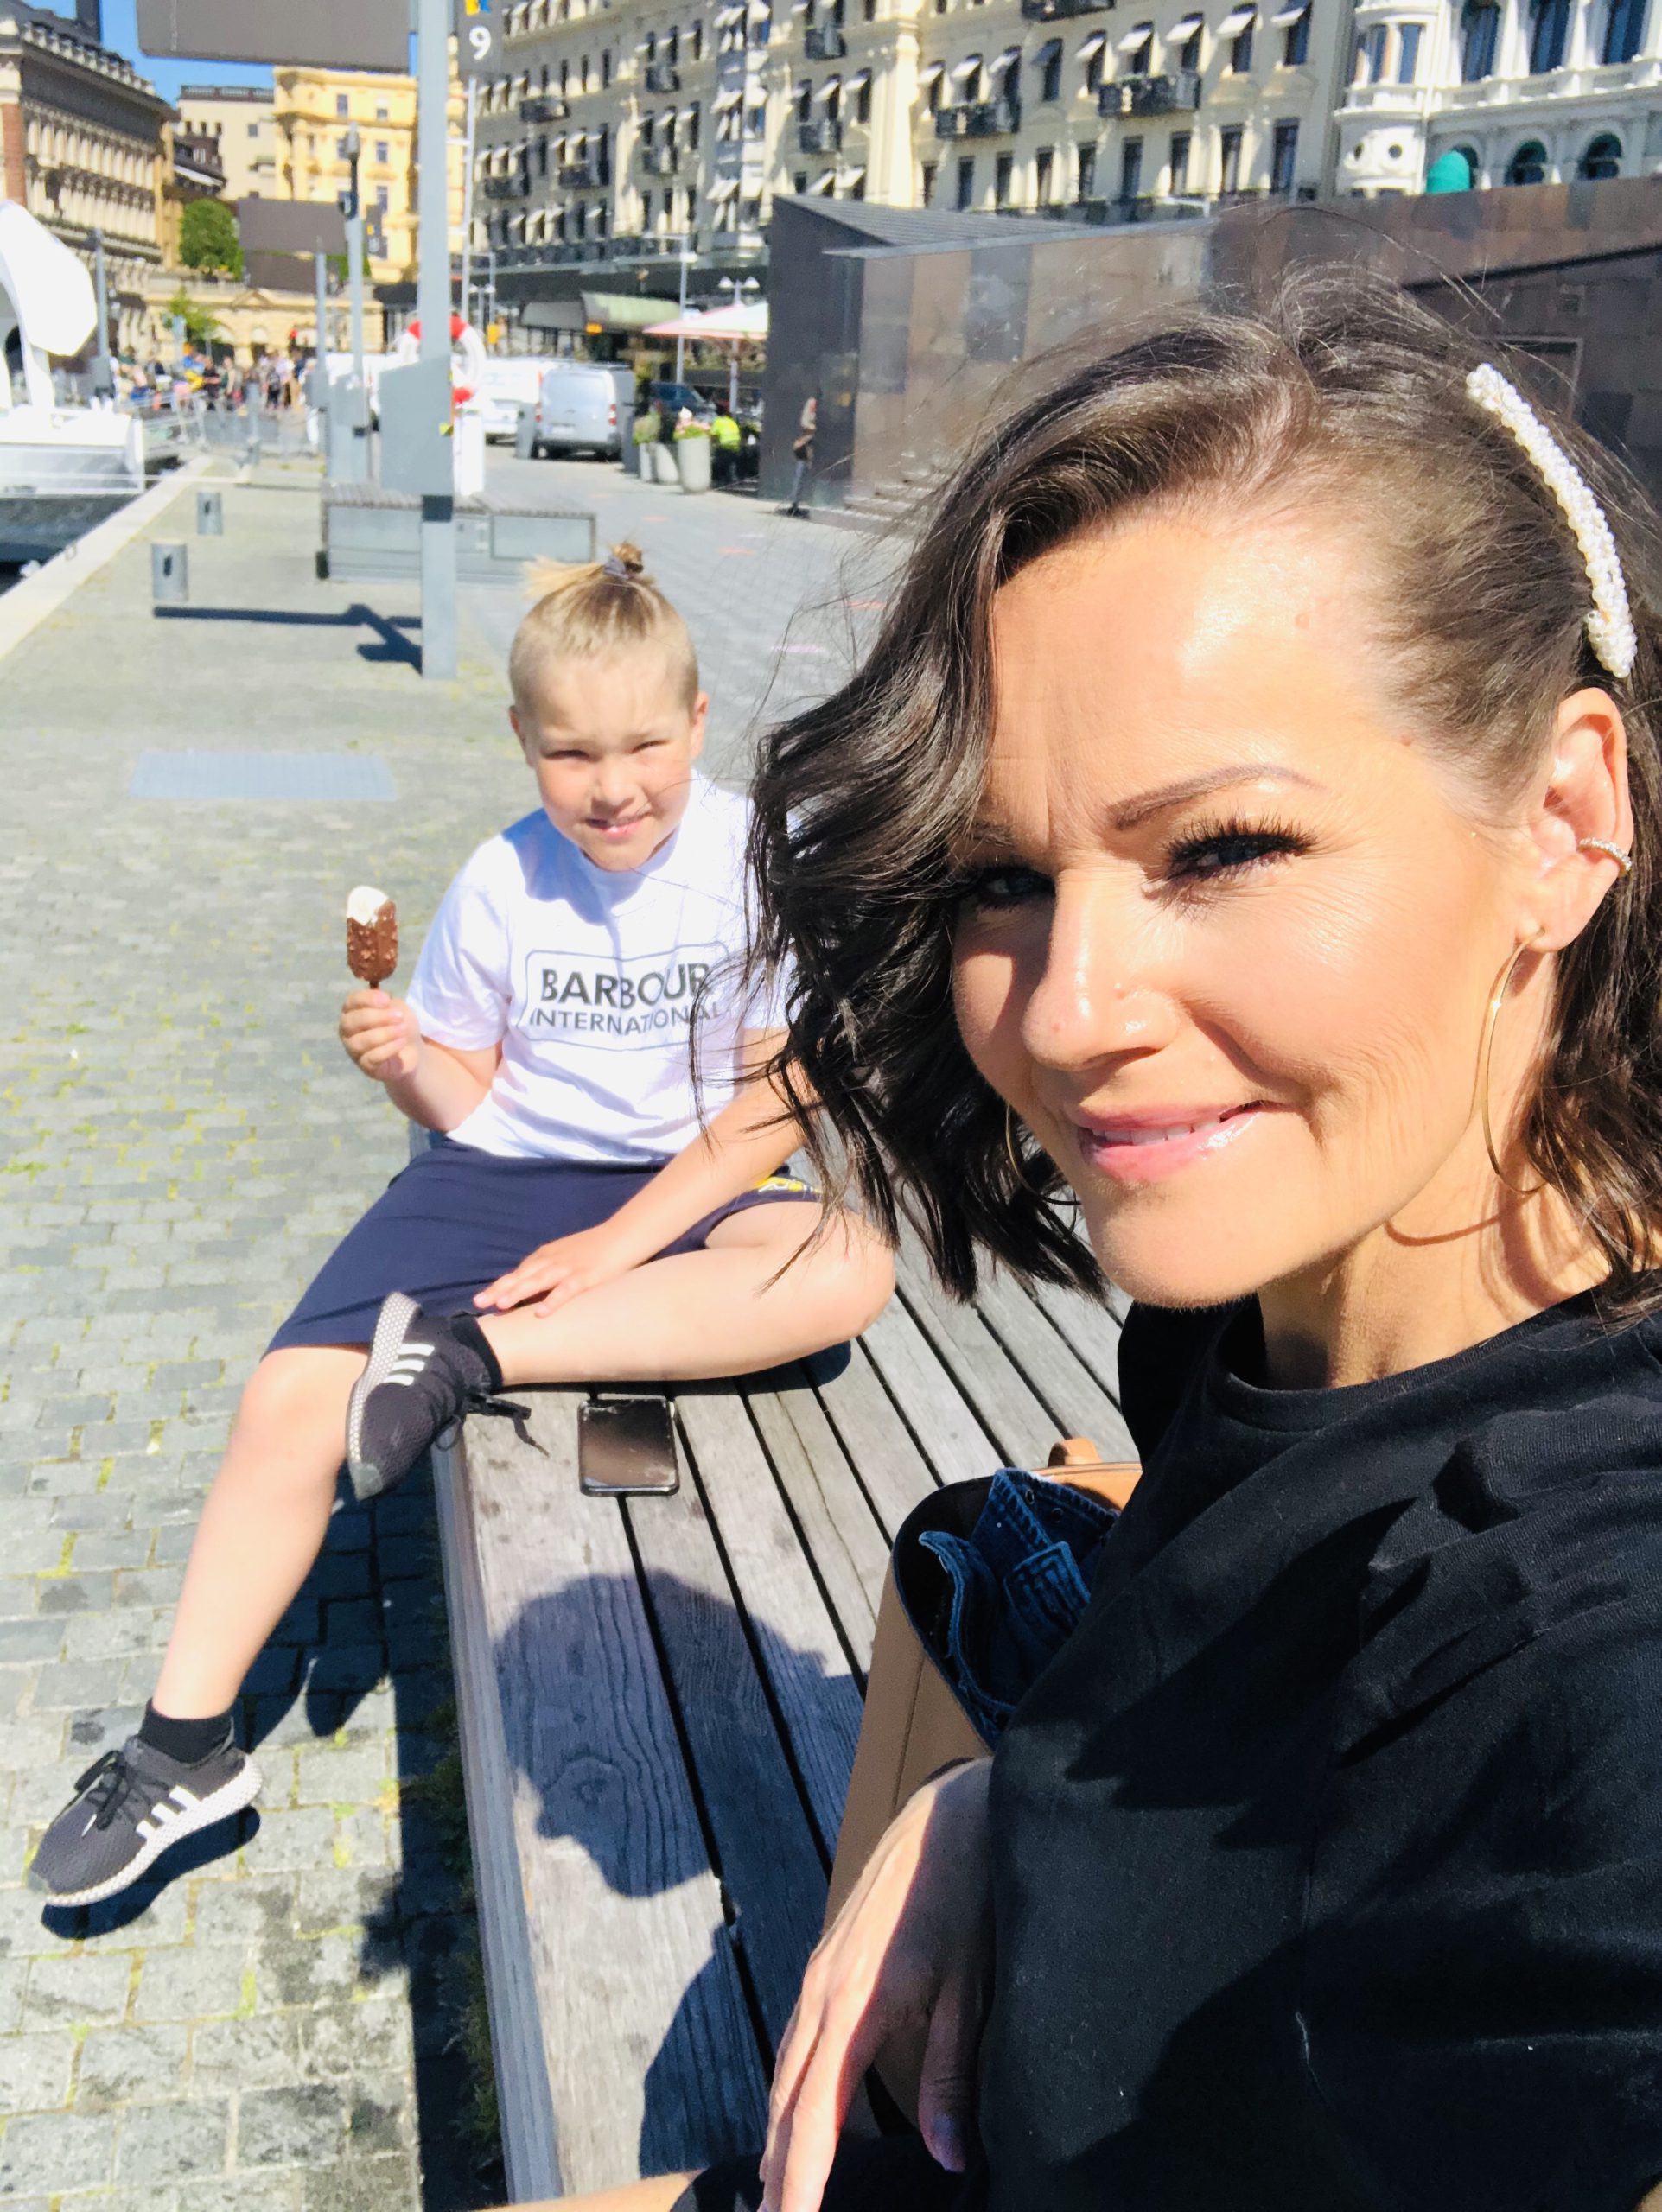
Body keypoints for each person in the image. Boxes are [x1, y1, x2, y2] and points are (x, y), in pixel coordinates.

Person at [538, 274, 1662, 2211]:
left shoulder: (1581, 1637)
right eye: (999, 875)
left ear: (1559, 820)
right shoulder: (1263, 1317)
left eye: (1219, 849)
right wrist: (1012, 1794)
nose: (1063, 1012)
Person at [31, 543, 895, 1910]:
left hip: (692, 1176)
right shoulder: (501, 880)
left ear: (697, 725)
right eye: (570, 754)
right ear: (519, 741)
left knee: (849, 1262)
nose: (611, 787)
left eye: (643, 746)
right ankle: (181, 1751)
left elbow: (773, 1106)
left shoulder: (752, 861)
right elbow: (469, 1100)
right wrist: (402, 1066)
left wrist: (611, 1248)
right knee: (284, 1399)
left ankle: (467, 1356)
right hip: (503, 1171)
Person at [782, 395, 816, 519]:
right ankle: (795, 504)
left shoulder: (828, 402)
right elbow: (804, 423)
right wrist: (816, 428)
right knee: (801, 474)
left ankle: (808, 502)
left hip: (820, 445)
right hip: (809, 444)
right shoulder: (813, 403)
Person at [710, 399, 742, 488]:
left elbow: (713, 436)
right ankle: (729, 481)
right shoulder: (732, 421)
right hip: (735, 448)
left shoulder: (718, 421)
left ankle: (718, 482)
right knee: (727, 464)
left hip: (725, 447)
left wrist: (713, 446)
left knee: (717, 463)